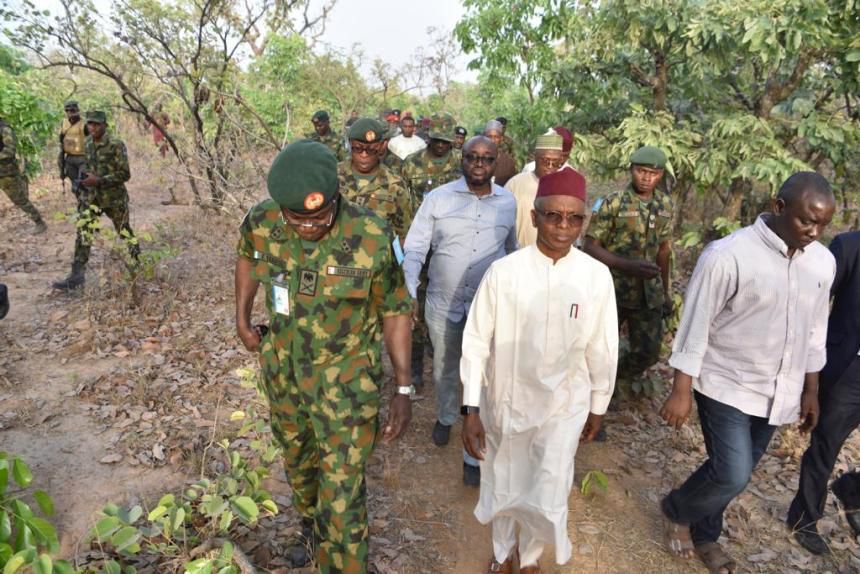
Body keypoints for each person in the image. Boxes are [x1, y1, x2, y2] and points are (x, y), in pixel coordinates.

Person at [234, 140, 413, 573]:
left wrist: (403, 386)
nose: (309, 226)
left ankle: (343, 561)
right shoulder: (262, 221)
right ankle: (311, 525)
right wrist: (242, 318)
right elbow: (247, 258)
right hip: (284, 373)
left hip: (346, 385)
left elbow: (396, 309)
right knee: (299, 463)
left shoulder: (372, 235)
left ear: (336, 197)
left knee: (343, 489)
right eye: (297, 218)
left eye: (320, 216)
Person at [659, 172, 836, 574]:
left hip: (779, 390)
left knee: (735, 473)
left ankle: (705, 534)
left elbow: (815, 329)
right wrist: (681, 389)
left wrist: (811, 388)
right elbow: (696, 323)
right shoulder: (728, 255)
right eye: (807, 221)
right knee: (732, 472)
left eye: (823, 224)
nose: (814, 232)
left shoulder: (822, 262)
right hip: (726, 382)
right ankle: (676, 509)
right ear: (779, 206)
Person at [461, 167, 617, 574]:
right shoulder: (504, 273)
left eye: (574, 218)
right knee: (504, 479)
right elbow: (475, 341)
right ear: (534, 217)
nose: (564, 227)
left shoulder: (596, 277)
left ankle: (529, 557)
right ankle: (502, 553)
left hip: (564, 405)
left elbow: (602, 347)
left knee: (549, 485)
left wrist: (599, 405)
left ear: (583, 221)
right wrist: (470, 408)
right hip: (507, 400)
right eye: (553, 216)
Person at [403, 135, 517, 486]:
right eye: (472, 157)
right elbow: (415, 249)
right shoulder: (437, 199)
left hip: (488, 306)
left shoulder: (508, 202)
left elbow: (511, 250)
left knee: (481, 373)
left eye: (487, 158)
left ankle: (473, 454)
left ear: (496, 163)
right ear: (461, 159)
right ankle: (446, 414)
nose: (479, 164)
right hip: (443, 302)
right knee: (445, 366)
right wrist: (409, 291)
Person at [787, 229, 860, 555]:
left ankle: (852, 489)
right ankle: (804, 520)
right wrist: (809, 374)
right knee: (825, 446)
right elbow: (814, 306)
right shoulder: (850, 246)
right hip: (849, 369)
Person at [584, 146, 673, 397]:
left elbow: (664, 251)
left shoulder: (665, 205)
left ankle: (611, 381)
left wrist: (665, 292)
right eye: (641, 171)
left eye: (653, 173)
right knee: (600, 348)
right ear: (631, 170)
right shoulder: (613, 202)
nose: (646, 178)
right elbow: (590, 246)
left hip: (648, 293)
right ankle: (594, 392)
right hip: (613, 290)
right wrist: (626, 265)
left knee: (648, 352)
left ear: (660, 175)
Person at [52, 111, 139, 291]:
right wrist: (82, 181)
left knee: (124, 231)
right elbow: (88, 167)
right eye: (90, 124)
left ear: (105, 125)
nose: (93, 127)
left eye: (97, 124)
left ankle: (138, 263)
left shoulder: (115, 144)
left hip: (113, 198)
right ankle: (76, 277)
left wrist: (99, 180)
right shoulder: (88, 143)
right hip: (91, 197)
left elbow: (125, 174)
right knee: (83, 233)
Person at [337, 118, 414, 242]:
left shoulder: (395, 185)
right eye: (358, 148)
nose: (364, 155)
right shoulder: (333, 176)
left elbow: (403, 235)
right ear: (350, 145)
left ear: (381, 147)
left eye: (371, 149)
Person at [504, 130, 565, 247]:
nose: (550, 166)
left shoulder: (565, 188)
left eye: (555, 162)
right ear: (535, 158)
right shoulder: (515, 184)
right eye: (546, 161)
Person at [0, 114, 46, 234]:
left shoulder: (4, 129)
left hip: (6, 173)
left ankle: (39, 222)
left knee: (20, 200)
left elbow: (9, 150)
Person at [400, 112, 462, 200]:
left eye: (444, 141)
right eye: (436, 140)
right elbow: (402, 195)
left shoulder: (463, 161)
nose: (440, 145)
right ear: (429, 136)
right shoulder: (412, 162)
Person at [58, 100, 88, 198]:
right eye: (68, 111)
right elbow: (61, 140)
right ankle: (80, 202)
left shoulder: (84, 124)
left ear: (77, 110)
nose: (70, 113)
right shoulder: (64, 123)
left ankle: (87, 203)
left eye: (72, 110)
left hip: (83, 158)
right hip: (69, 158)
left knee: (83, 182)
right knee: (75, 185)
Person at [483, 120, 517, 187]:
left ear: (501, 138)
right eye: (489, 136)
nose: (492, 140)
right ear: (484, 137)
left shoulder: (509, 162)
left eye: (496, 137)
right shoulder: (476, 158)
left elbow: (512, 185)